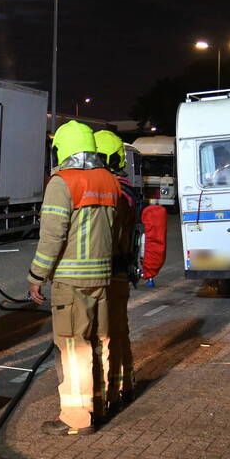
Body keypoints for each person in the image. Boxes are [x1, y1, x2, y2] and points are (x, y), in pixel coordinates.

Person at [27, 121, 120, 435]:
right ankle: (103, 403)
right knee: (101, 342)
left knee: (73, 347)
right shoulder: (109, 180)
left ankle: (77, 418)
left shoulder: (62, 182)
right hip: (102, 277)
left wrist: (36, 276)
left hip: (70, 279)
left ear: (62, 149)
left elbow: (52, 237)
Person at [94, 130, 138, 410]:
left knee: (105, 334)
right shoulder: (127, 189)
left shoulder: (113, 192)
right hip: (121, 271)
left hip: (108, 271)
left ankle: (108, 395)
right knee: (119, 331)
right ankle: (124, 385)